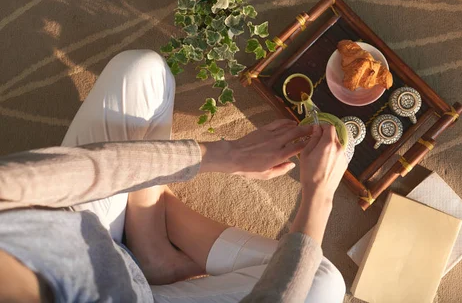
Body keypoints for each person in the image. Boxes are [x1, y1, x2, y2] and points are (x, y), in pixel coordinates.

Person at [0, 50, 348, 303]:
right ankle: (153, 217)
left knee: (141, 71)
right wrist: (319, 194)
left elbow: (74, 172)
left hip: (78, 219)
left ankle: (152, 239)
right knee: (322, 282)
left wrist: (226, 154)